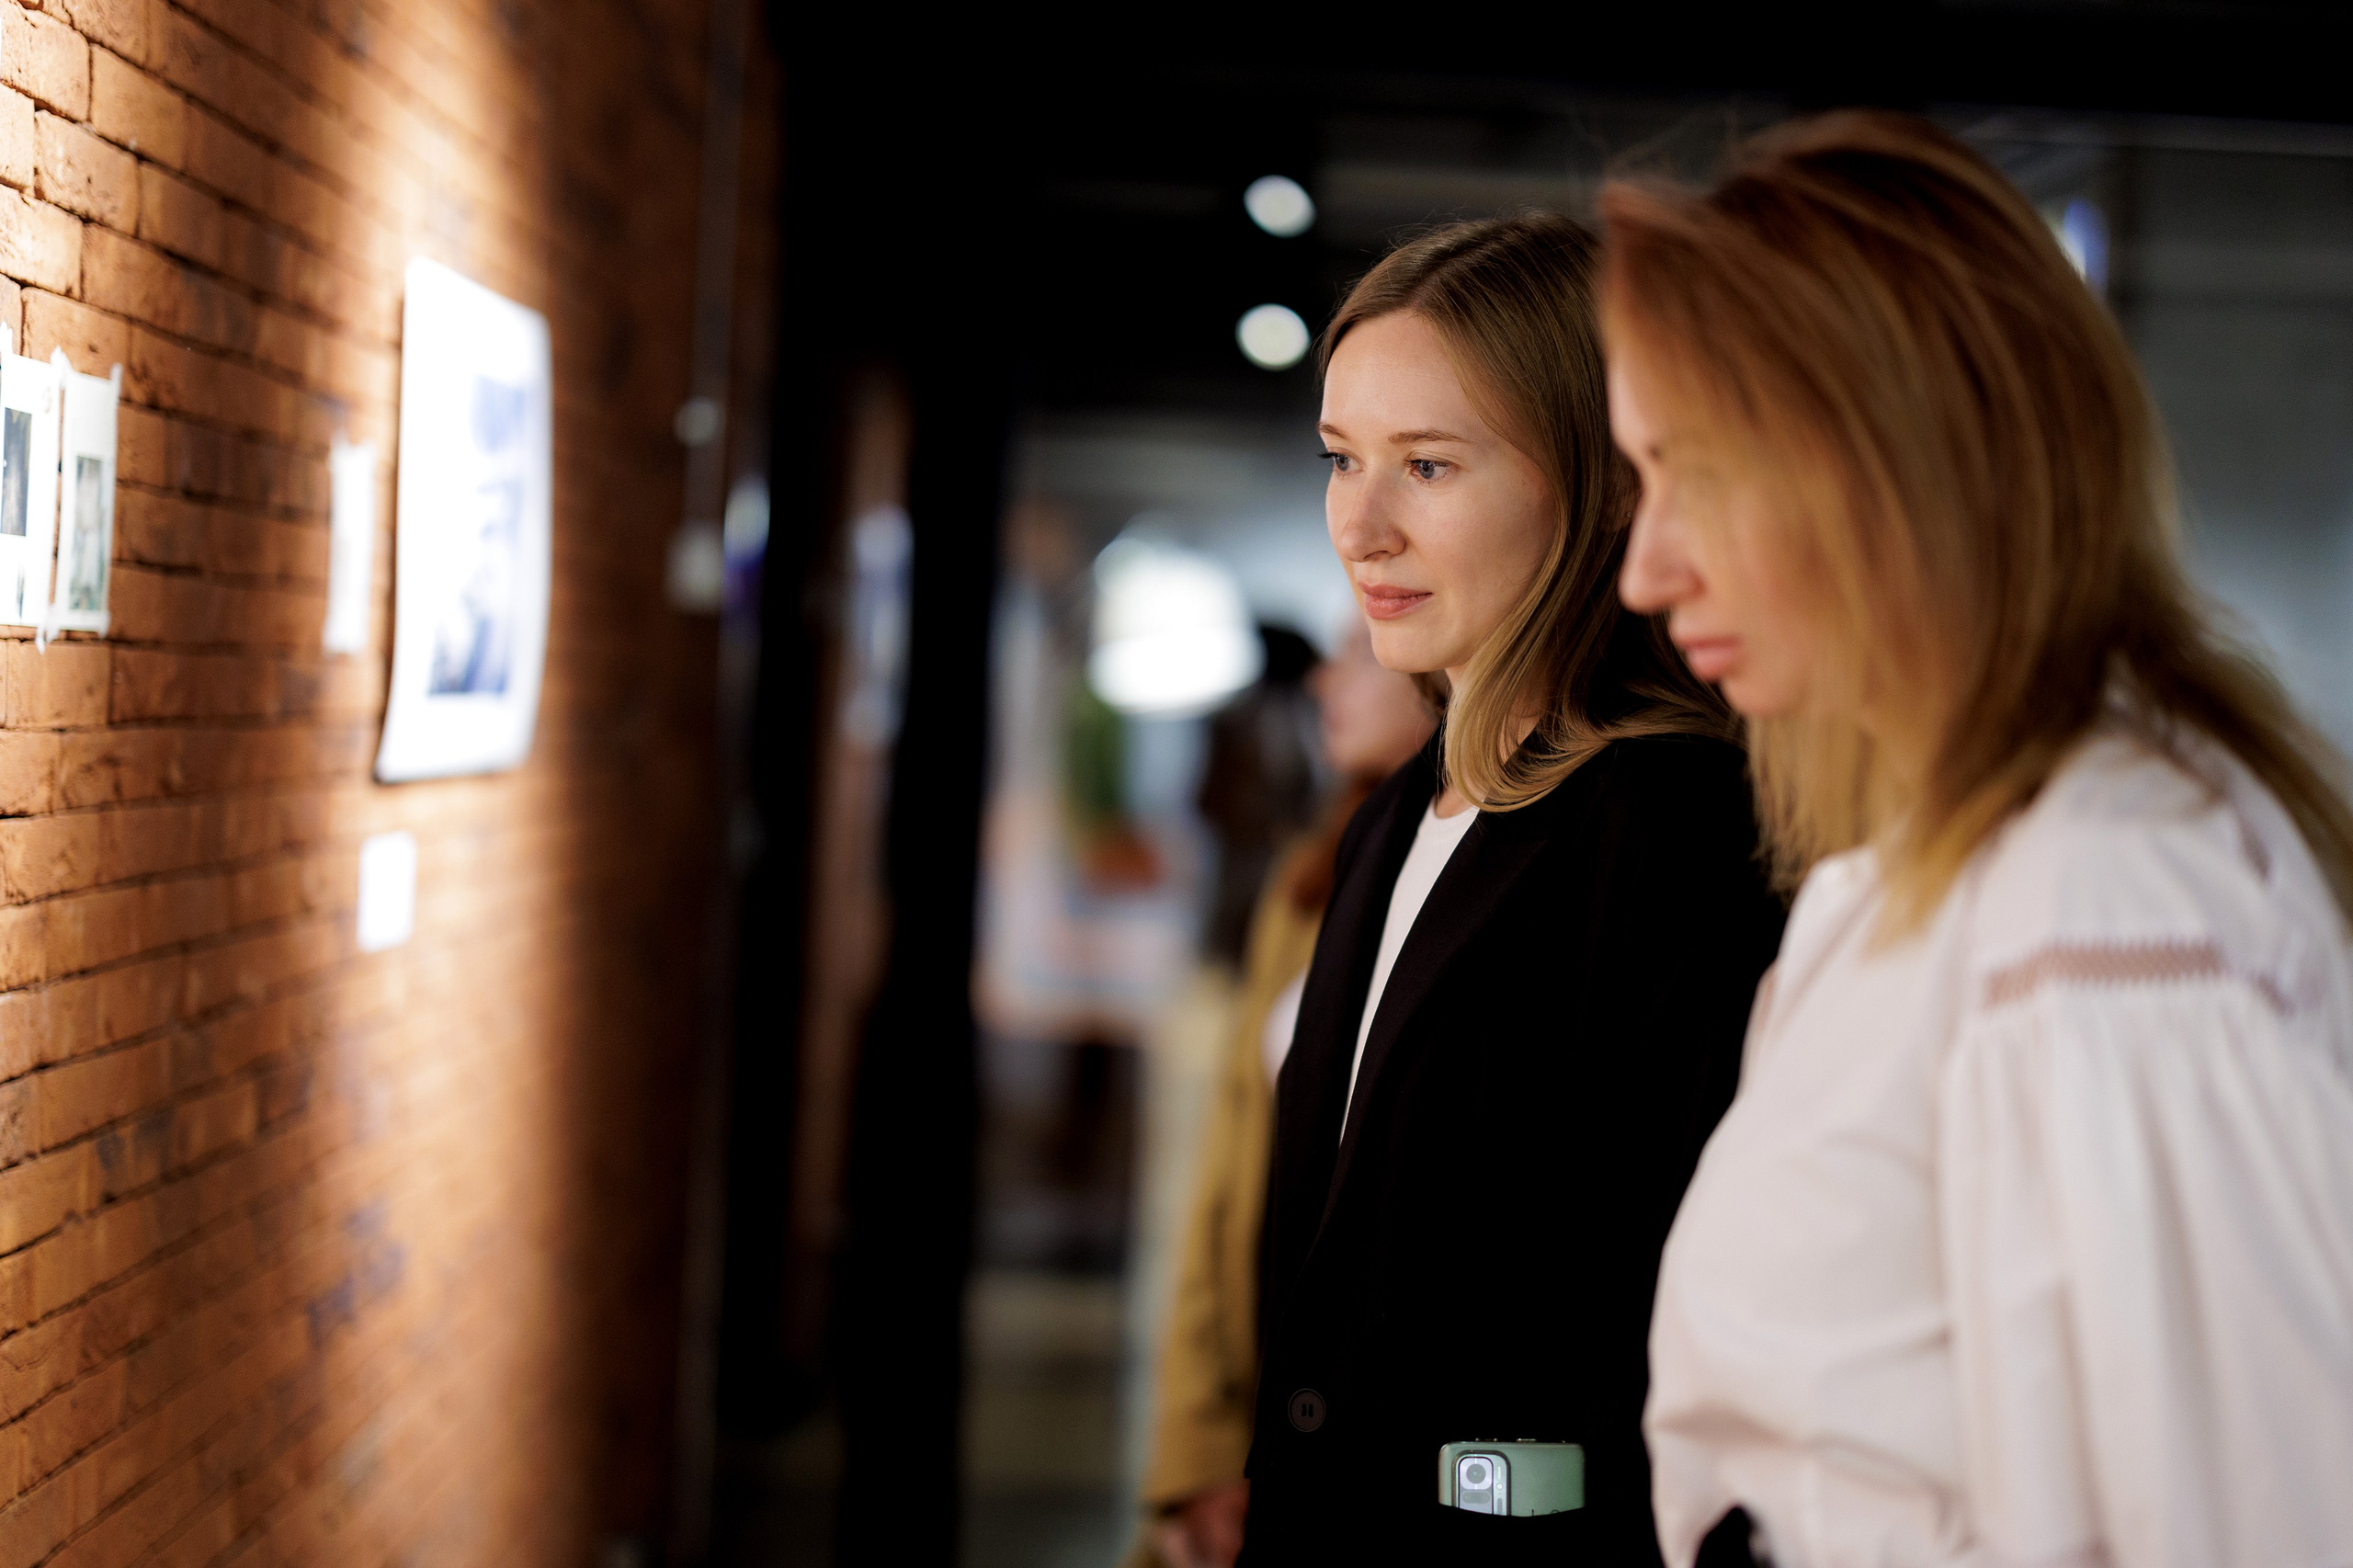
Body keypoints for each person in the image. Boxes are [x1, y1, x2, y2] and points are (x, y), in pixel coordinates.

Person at [1603, 112, 2353, 1568]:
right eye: (1643, 479)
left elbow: (2237, 1526)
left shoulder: (2109, 893)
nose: (1646, 563)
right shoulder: (1937, 863)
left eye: (1702, 472)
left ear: (1906, 462)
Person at [1239, 215, 1786, 1565]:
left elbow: (1672, 1322)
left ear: (1603, 482)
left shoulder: (1671, 824)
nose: (1361, 524)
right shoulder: (1401, 811)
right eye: (1342, 459)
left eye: (1428, 464)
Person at [1129, 624, 1437, 1568]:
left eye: (1359, 647)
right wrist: (1200, 1445)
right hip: (1265, 1401)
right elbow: (1224, 1187)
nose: (1322, 677)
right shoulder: (1314, 876)